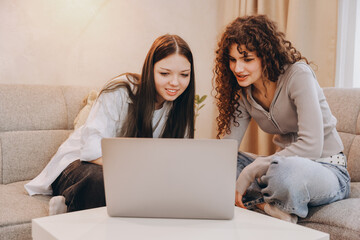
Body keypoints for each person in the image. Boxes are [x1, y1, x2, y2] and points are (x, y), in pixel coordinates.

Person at [25, 34, 195, 214]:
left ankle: (70, 206)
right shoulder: (121, 90)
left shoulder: (179, 107)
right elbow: (90, 150)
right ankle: (71, 202)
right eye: (164, 73)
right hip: (78, 165)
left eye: (184, 75)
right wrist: (136, 170)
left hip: (125, 173)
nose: (175, 82)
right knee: (103, 181)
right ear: (149, 70)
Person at [214, 15, 350, 223]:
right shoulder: (245, 93)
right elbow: (227, 148)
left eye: (247, 59)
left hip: (325, 168)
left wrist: (252, 170)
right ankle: (267, 206)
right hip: (279, 167)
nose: (238, 69)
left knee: (285, 173)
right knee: (225, 163)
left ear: (266, 56)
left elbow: (312, 146)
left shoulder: (298, 76)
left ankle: (263, 202)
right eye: (232, 60)